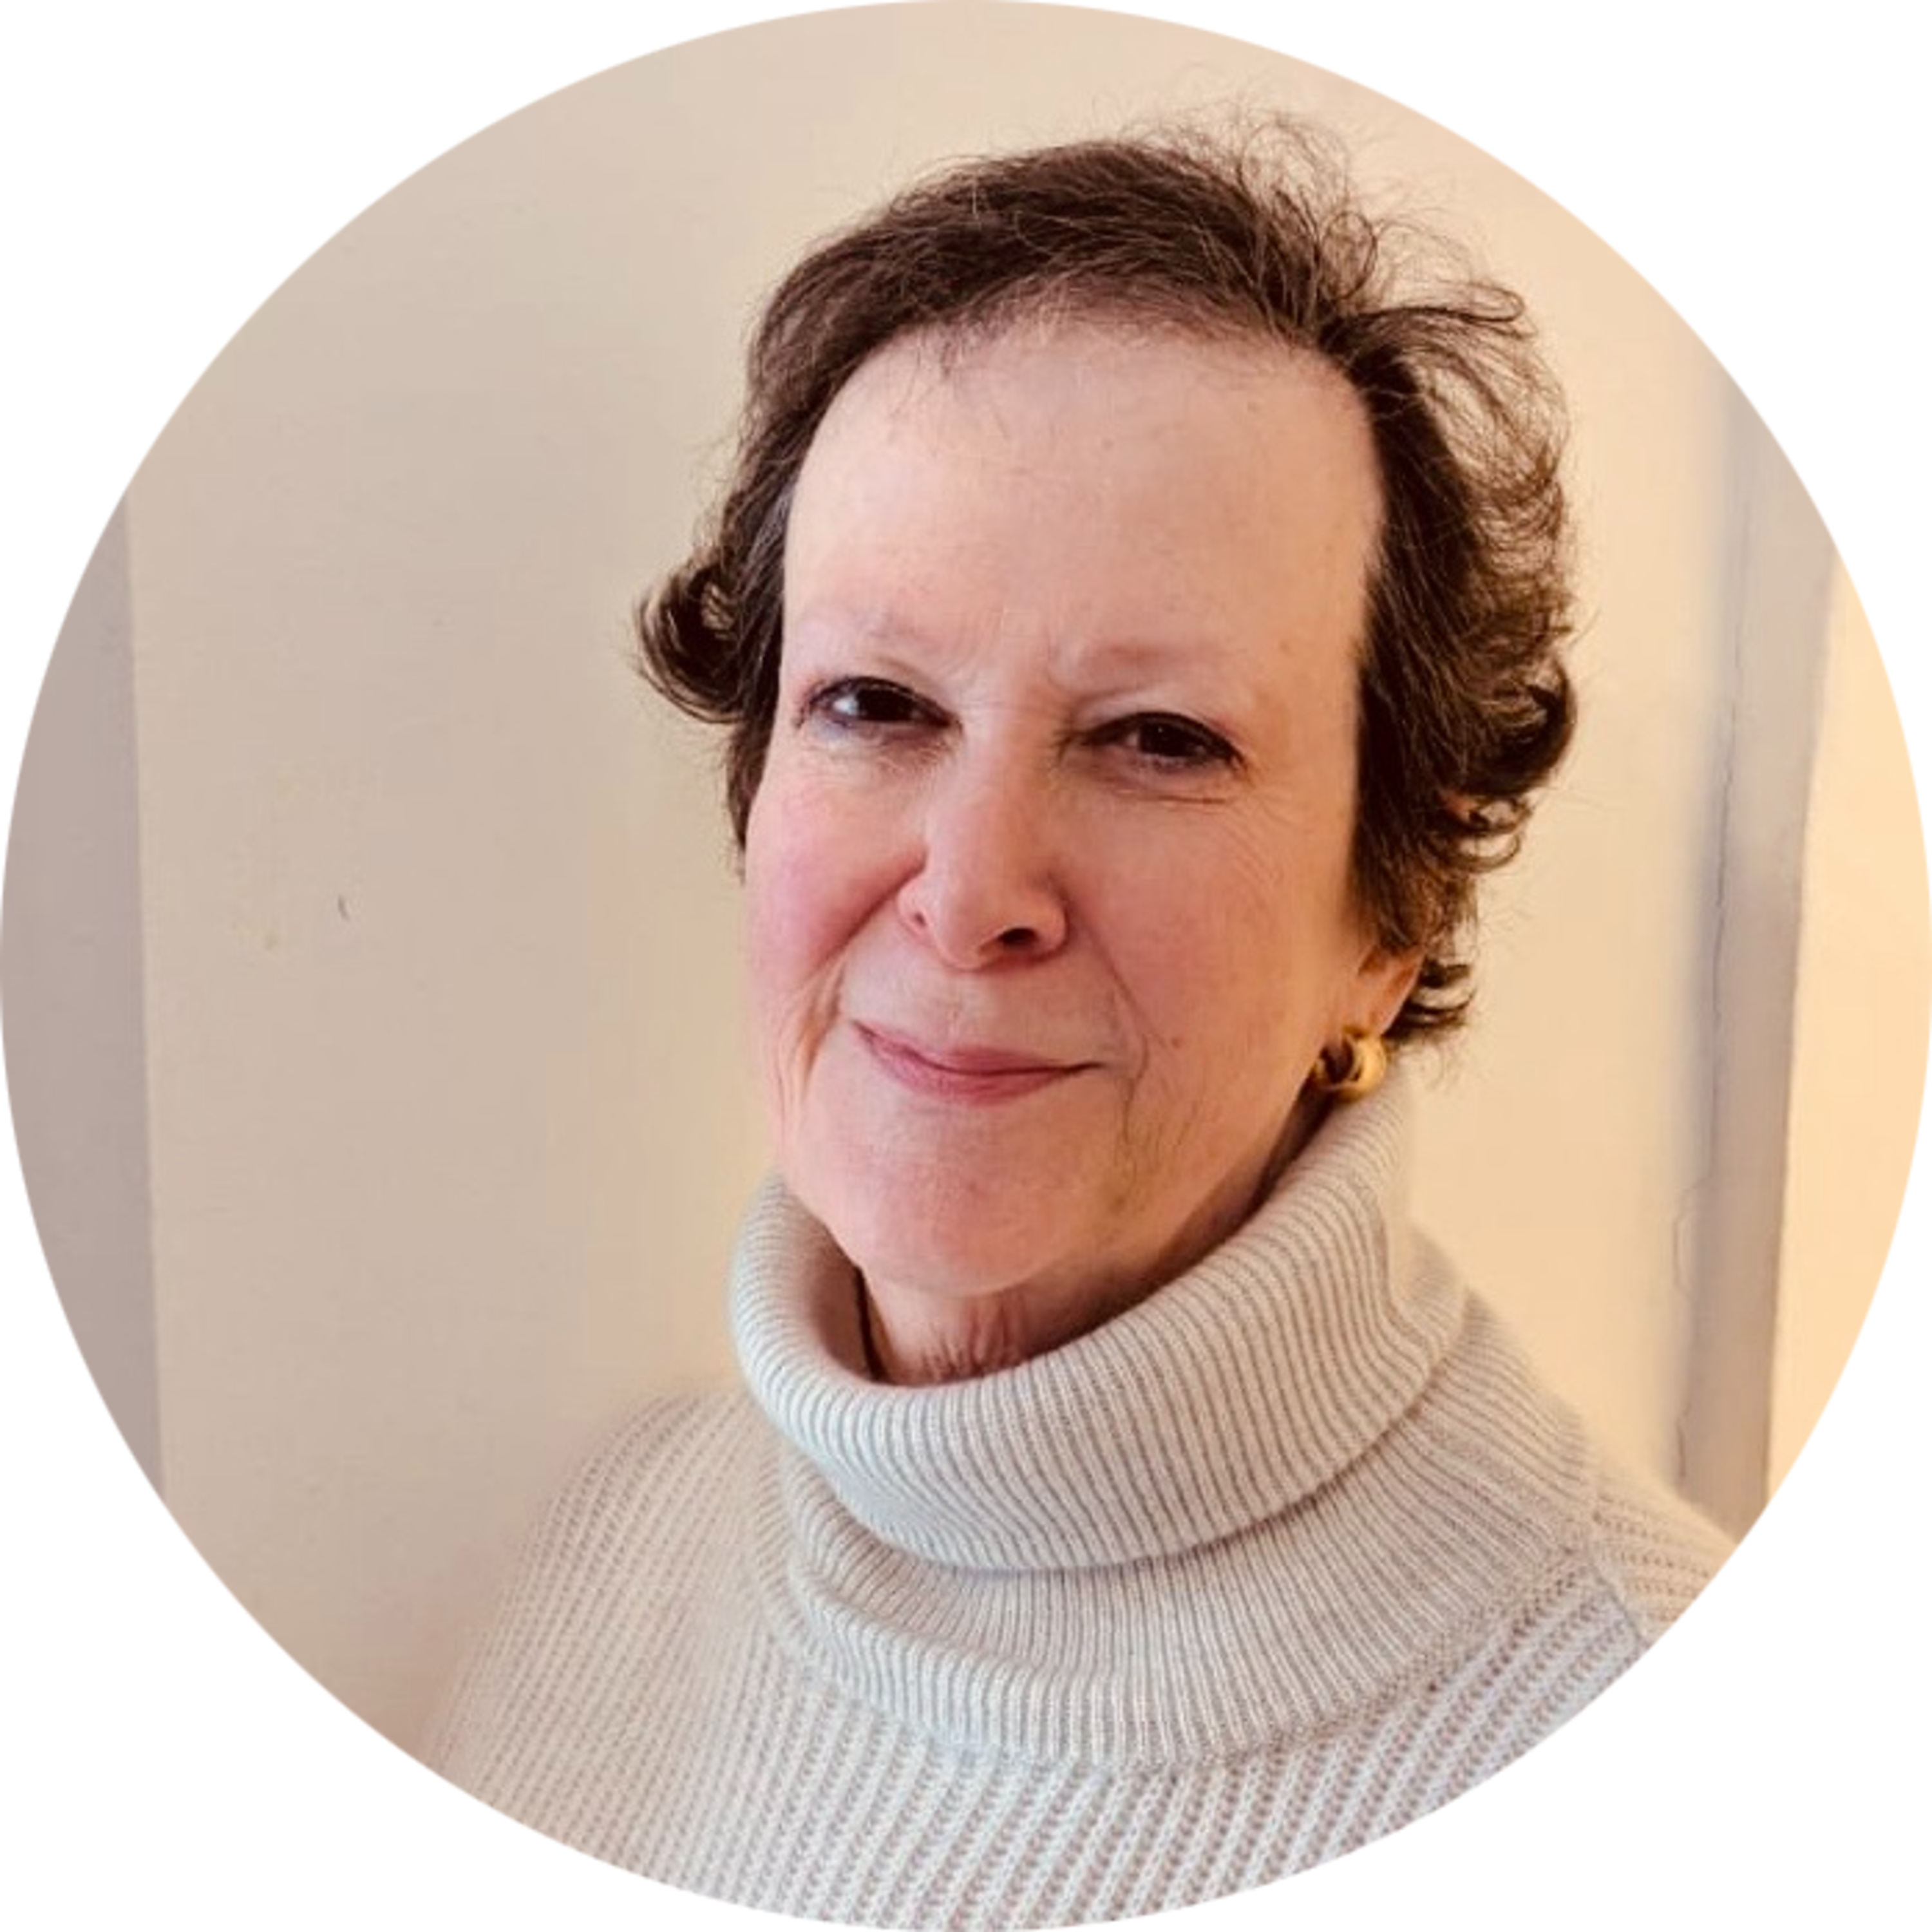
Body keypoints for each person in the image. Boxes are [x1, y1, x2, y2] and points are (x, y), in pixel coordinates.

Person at [430, 120, 1730, 1926]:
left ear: (1393, 919)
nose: (972, 891)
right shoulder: (614, 1545)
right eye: (874, 703)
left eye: (1159, 740)